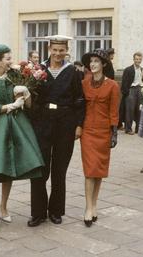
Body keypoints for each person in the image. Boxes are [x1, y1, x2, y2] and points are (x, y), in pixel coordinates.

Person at [0, 44, 43, 231]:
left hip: (13, 126)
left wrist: (26, 94)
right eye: (7, 58)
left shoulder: (15, 76)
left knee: (8, 167)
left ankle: (3, 207)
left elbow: (28, 105)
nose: (11, 61)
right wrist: (11, 105)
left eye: (10, 58)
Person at [28, 35, 85, 227]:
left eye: (62, 50)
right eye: (55, 50)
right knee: (39, 170)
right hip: (42, 124)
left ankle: (56, 211)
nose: (58, 54)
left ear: (66, 50)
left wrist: (78, 125)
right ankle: (38, 213)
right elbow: (32, 97)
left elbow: (79, 100)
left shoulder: (73, 72)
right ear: (49, 48)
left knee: (59, 170)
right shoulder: (38, 70)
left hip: (65, 124)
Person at [80, 49, 119, 227]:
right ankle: (88, 207)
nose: (93, 64)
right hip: (88, 131)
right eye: (91, 62)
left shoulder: (112, 85)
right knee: (90, 170)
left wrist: (114, 132)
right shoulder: (84, 83)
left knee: (99, 171)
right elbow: (79, 107)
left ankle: (94, 204)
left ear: (103, 64)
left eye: (96, 61)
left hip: (104, 131)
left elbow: (114, 111)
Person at [121, 52, 143, 135]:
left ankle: (138, 129)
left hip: (140, 89)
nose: (138, 61)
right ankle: (128, 129)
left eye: (139, 59)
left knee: (139, 110)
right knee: (129, 110)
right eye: (136, 59)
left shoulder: (142, 70)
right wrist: (126, 92)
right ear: (133, 59)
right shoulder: (128, 69)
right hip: (131, 90)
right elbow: (124, 82)